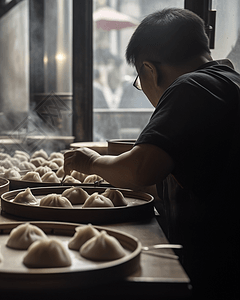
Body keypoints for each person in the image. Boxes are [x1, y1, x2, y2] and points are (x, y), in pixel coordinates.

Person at [64, 8, 239, 299]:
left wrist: (90, 162)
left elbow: (141, 168)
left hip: (215, 264)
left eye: (139, 80)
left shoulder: (190, 86)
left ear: (149, 70)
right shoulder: (229, 83)